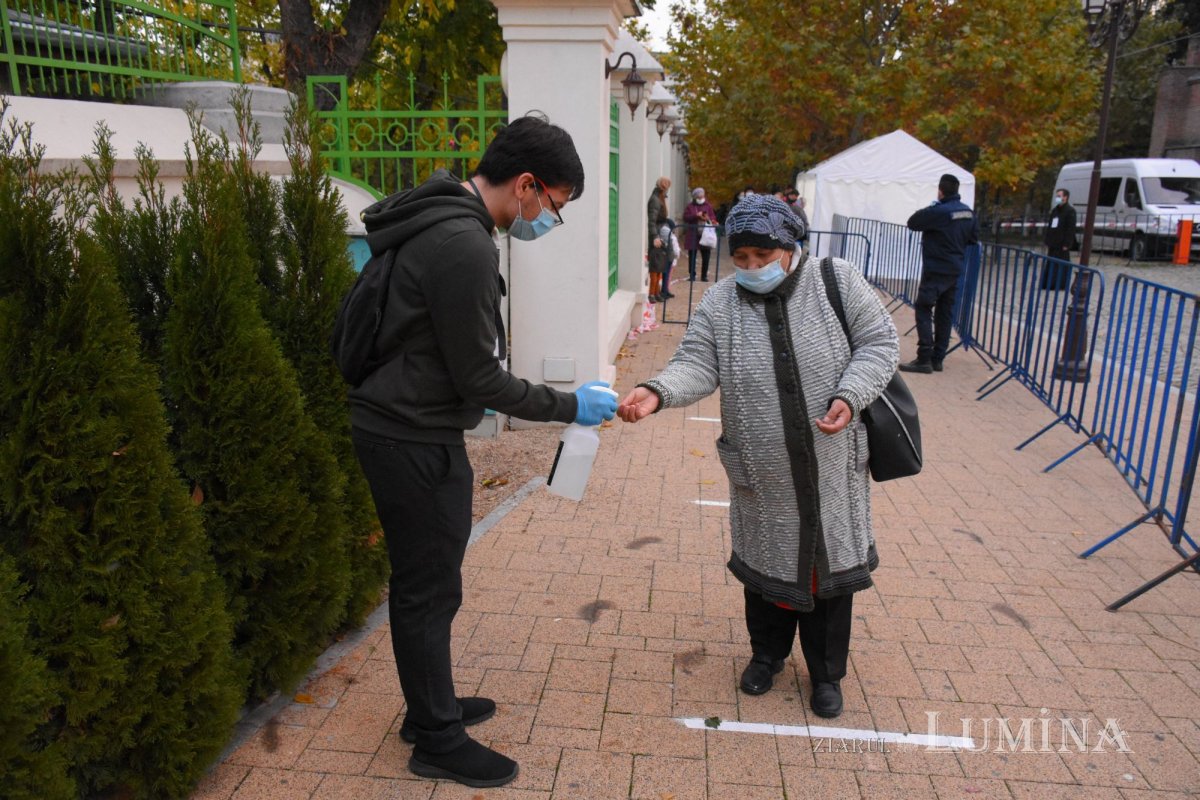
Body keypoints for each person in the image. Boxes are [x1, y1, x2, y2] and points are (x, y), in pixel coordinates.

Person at [349, 114, 619, 789]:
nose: (548, 219)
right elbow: (481, 379)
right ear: (526, 185)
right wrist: (568, 405)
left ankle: (428, 710)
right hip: (410, 432)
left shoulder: (442, 218)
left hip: (408, 423)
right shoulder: (463, 245)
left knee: (431, 581)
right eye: (554, 204)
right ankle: (436, 737)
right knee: (428, 587)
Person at [617, 194, 899, 719]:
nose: (750, 269)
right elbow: (697, 362)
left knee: (829, 572)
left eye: (762, 259)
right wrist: (656, 392)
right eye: (741, 259)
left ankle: (825, 674)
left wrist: (849, 394)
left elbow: (880, 343)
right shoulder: (721, 303)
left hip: (832, 461)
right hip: (761, 469)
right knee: (766, 568)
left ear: (790, 249)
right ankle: (766, 657)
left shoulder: (835, 279)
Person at [900, 173, 979, 375]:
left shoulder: (939, 211)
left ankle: (924, 357)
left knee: (924, 308)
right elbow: (973, 238)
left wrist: (934, 207)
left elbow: (913, 222)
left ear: (941, 191)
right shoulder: (968, 213)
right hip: (955, 270)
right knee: (945, 314)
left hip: (935, 268)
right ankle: (938, 359)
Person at [1041, 187, 1076, 290]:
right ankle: (1049, 282)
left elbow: (1070, 229)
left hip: (1062, 243)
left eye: (1059, 196)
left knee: (1060, 264)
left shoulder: (1070, 211)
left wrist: (1067, 244)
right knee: (1051, 262)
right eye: (1057, 196)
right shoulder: (1055, 210)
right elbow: (1051, 225)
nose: (1057, 198)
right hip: (1053, 242)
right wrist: (1047, 240)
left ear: (1065, 197)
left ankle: (1059, 284)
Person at [682, 187, 717, 281]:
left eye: (702, 196)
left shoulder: (708, 206)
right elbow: (685, 217)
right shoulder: (690, 206)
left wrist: (708, 218)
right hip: (693, 234)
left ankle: (704, 275)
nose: (701, 198)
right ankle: (692, 275)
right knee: (692, 255)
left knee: (706, 255)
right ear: (695, 197)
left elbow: (713, 217)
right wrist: (695, 216)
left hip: (705, 234)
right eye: (699, 196)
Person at [646, 176, 671, 301]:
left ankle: (656, 293)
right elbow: (651, 221)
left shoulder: (660, 198)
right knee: (655, 266)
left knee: (660, 266)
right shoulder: (655, 200)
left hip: (660, 233)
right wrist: (655, 236)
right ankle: (651, 294)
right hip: (656, 235)